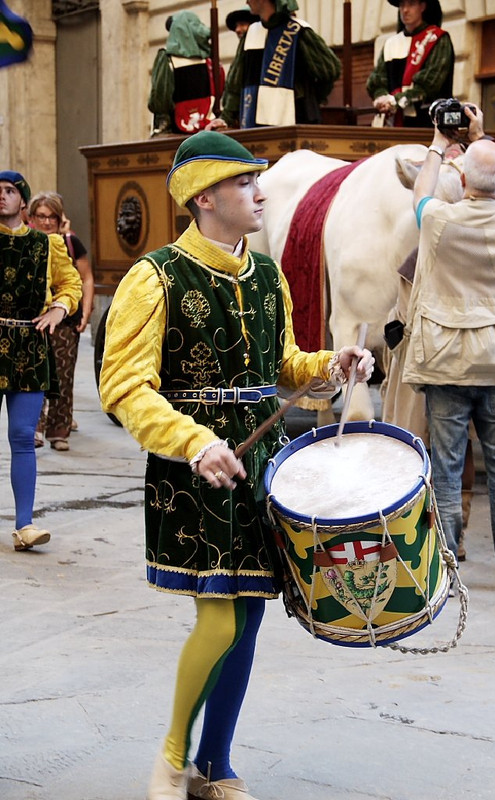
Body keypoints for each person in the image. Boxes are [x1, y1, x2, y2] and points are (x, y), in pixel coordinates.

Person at [99, 130, 374, 800]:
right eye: (246, 182)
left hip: (262, 466)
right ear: (204, 198)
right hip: (196, 466)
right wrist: (191, 441)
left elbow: (281, 366)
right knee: (218, 617)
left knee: (246, 616)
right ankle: (171, 758)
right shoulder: (154, 276)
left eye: (258, 181)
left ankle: (213, 767)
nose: (260, 192)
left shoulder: (267, 273)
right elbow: (122, 386)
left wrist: (329, 365)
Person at [402, 104, 495, 593]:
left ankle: (445, 567)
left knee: (447, 469)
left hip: (446, 361)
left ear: (463, 179)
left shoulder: (438, 220)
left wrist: (439, 143)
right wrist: (486, 138)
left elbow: (421, 190)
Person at [0, 171, 82, 551]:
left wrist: (59, 308)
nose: (2, 197)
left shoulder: (47, 244)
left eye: (9, 191)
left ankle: (25, 525)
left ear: (23, 200)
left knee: (21, 436)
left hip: (29, 346)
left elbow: (72, 283)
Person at [28, 192, 94, 451]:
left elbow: (85, 278)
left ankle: (59, 430)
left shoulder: (69, 241)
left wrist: (86, 312)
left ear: (59, 218)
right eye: (41, 216)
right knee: (35, 375)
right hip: (33, 319)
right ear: (32, 217)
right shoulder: (25, 242)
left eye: (52, 217)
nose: (46, 222)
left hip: (66, 319)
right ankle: (35, 426)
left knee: (63, 376)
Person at [218, 0, 341, 129]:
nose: (247, 1)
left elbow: (330, 69)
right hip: (253, 122)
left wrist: (310, 98)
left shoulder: (298, 30)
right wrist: (226, 117)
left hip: (295, 122)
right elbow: (235, 83)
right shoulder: (250, 34)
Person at [366, 0, 454, 128]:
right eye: (402, 5)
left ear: (422, 6)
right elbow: (377, 80)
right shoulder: (391, 43)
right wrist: (381, 98)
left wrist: (394, 101)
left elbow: (429, 84)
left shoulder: (437, 39)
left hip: (428, 124)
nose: (405, 10)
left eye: (411, 4)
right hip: (393, 123)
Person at [148, 11, 225, 136]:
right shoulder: (209, 61)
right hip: (201, 129)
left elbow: (160, 96)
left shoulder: (207, 61)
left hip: (190, 129)